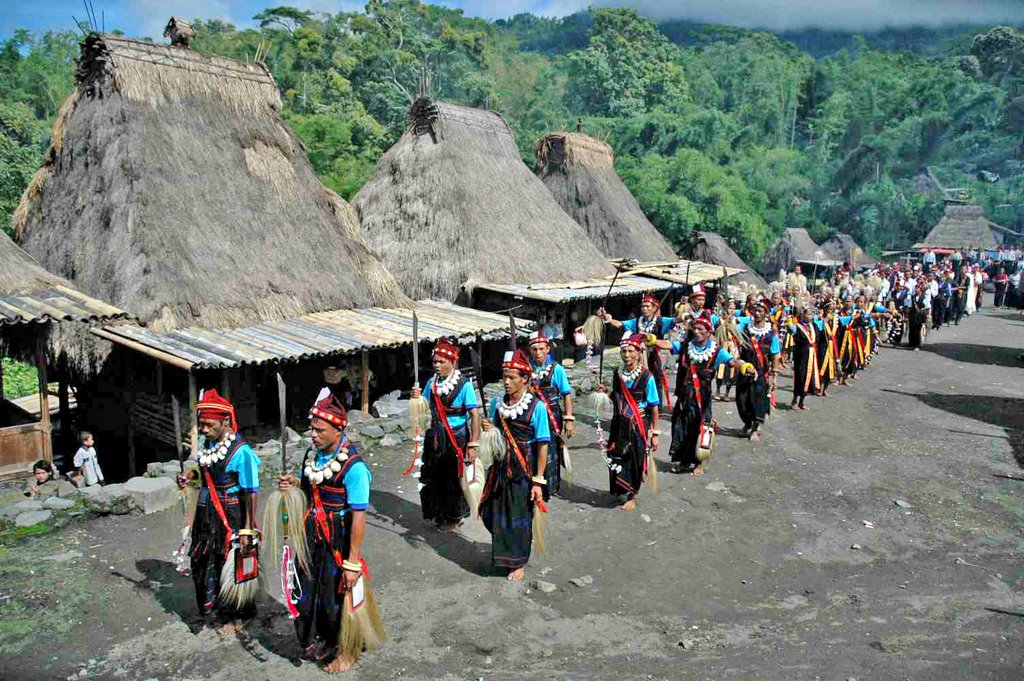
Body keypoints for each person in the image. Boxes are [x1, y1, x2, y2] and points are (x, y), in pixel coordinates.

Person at [277, 390, 379, 673]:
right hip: (312, 535)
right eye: (311, 428)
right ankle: (325, 640)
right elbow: (313, 490)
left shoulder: (355, 468)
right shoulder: (315, 456)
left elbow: (359, 517)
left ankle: (348, 651)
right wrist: (295, 484)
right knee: (311, 591)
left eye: (319, 430)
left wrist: (352, 561)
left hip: (339, 536)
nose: (313, 435)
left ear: (338, 429)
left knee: (339, 597)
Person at [176, 389, 261, 632]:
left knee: (231, 562)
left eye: (208, 425)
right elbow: (208, 472)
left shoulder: (242, 452)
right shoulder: (210, 444)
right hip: (207, 512)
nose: (203, 430)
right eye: (201, 424)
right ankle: (213, 607)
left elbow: (250, 492)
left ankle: (238, 614)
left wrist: (247, 528)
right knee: (203, 559)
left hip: (231, 515)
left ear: (225, 422)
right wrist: (191, 476)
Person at [480, 349, 550, 582]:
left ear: (525, 379)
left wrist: (538, 481)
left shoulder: (537, 407)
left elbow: (542, 445)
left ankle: (517, 562)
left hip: (523, 471)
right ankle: (502, 556)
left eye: (512, 377)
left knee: (518, 517)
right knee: (494, 513)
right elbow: (494, 434)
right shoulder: (497, 404)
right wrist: (488, 430)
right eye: (504, 377)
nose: (506, 382)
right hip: (500, 469)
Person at [656, 317, 753, 476]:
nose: (698, 332)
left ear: (709, 332)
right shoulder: (687, 346)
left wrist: (745, 366)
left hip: (703, 399)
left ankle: (699, 462)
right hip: (685, 396)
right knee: (682, 427)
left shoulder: (716, 351)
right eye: (696, 329)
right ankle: (684, 461)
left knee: (702, 428)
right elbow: (669, 345)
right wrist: (652, 340)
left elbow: (732, 361)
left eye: (701, 329)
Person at [411, 339, 481, 531]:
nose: (437, 365)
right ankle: (438, 512)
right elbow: (424, 404)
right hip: (435, 436)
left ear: (452, 362)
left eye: (441, 362)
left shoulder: (464, 385)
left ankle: (453, 517)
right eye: (435, 362)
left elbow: (474, 414)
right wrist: (416, 398)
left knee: (453, 478)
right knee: (435, 476)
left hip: (456, 438)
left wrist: (473, 444)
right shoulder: (431, 383)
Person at [601, 333, 660, 510]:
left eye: (630, 351)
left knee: (634, 458)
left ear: (638, 353)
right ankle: (620, 489)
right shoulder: (618, 373)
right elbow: (617, 399)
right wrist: (606, 393)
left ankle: (632, 494)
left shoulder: (647, 377)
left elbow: (654, 406)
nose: (626, 355)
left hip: (637, 425)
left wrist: (655, 433)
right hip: (619, 423)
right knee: (616, 455)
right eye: (623, 351)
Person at [600, 291, 675, 408]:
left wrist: (686, 316)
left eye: (647, 306)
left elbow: (675, 321)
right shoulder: (636, 322)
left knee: (654, 380)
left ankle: (655, 407)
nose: (644, 309)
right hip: (638, 357)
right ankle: (634, 403)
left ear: (654, 308)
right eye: (643, 306)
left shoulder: (660, 321)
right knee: (637, 380)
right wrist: (607, 318)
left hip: (653, 357)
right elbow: (620, 324)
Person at [527, 331, 575, 494]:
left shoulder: (557, 369)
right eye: (534, 349)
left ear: (548, 348)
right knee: (532, 448)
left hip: (551, 414)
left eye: (541, 349)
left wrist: (569, 419)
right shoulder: (527, 369)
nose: (538, 353)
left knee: (550, 447)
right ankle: (533, 482)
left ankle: (550, 486)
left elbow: (566, 394)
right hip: (531, 415)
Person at [734, 301, 780, 441]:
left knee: (758, 398)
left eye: (760, 311)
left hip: (761, 370)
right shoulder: (745, 327)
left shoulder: (771, 332)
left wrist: (774, 375)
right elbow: (732, 325)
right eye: (755, 310)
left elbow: (775, 354)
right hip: (745, 368)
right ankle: (747, 423)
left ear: (766, 313)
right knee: (742, 398)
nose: (757, 313)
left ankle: (756, 426)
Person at [787, 307, 820, 410]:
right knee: (800, 377)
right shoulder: (797, 327)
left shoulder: (813, 326)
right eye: (808, 314)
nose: (810, 316)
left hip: (811, 354)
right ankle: (794, 401)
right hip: (801, 355)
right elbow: (790, 329)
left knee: (809, 378)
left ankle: (802, 401)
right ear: (802, 316)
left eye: (811, 314)